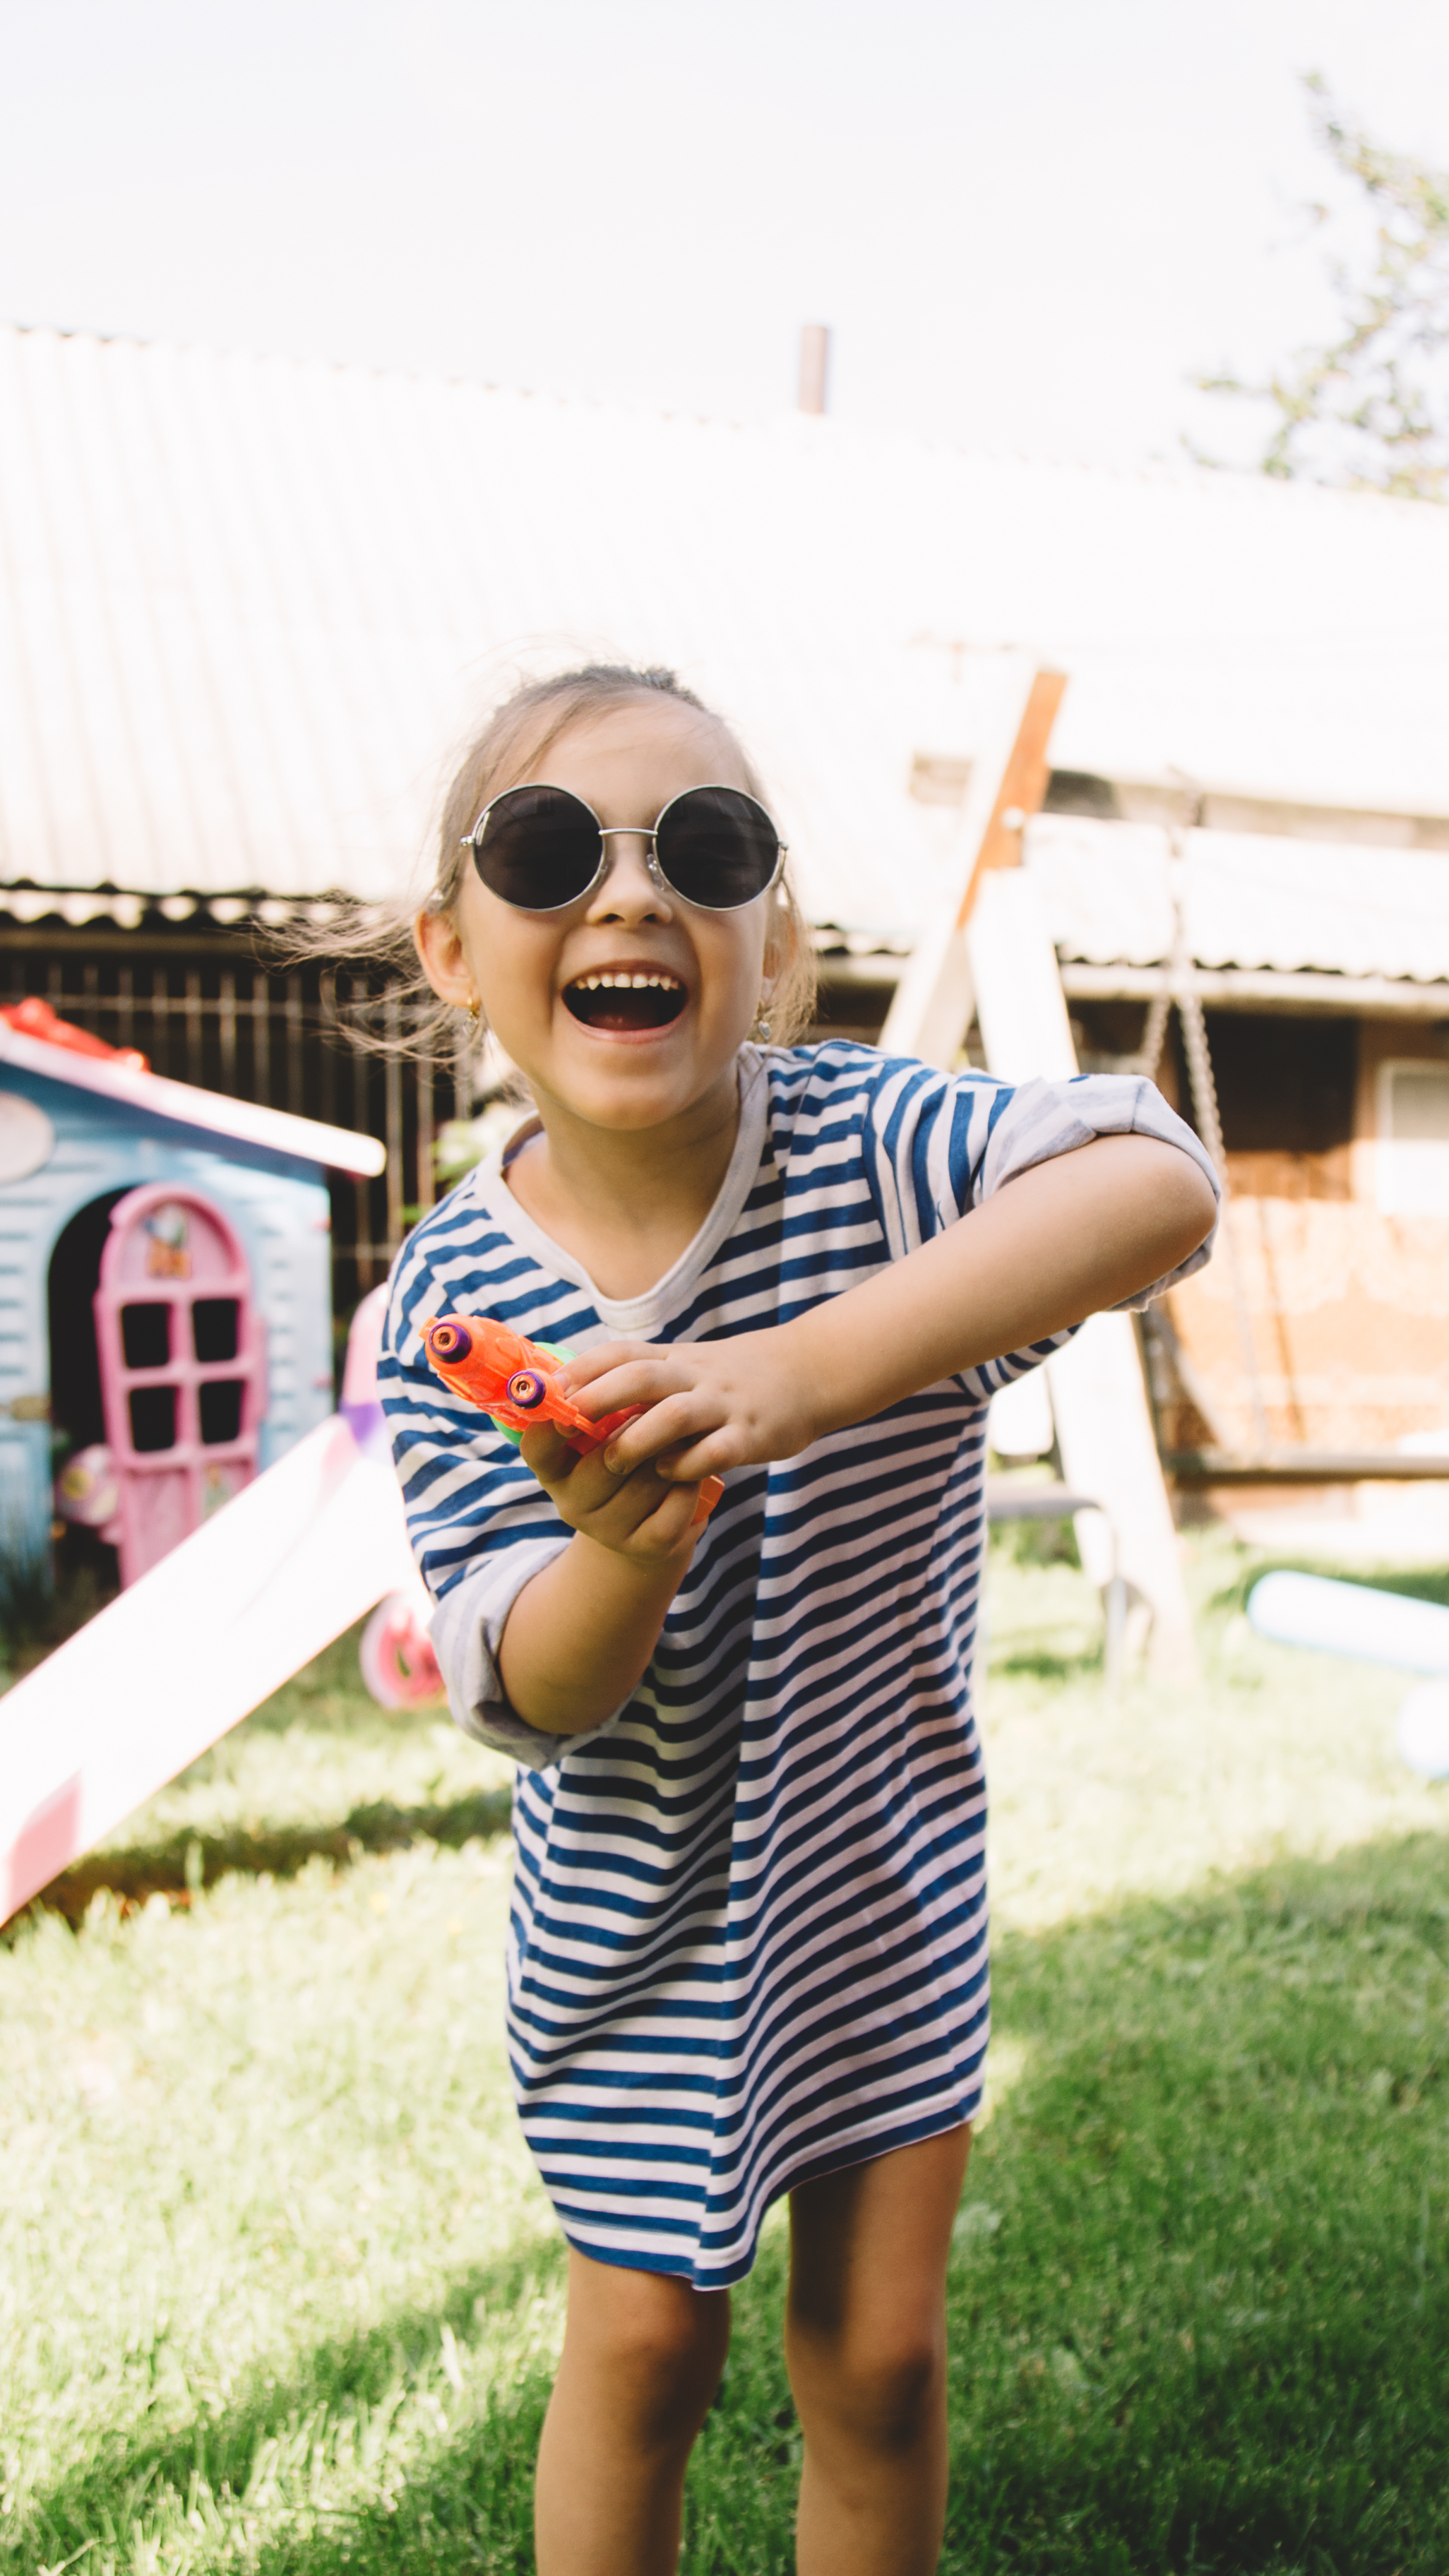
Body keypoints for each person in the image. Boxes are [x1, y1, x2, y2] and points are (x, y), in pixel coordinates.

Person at [379, 662, 1219, 2576]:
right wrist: (627, 1549)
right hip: (626, 1924)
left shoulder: (872, 1152)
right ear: (450, 948)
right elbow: (525, 1691)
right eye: (542, 853)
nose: (627, 896)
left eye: (703, 846)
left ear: (769, 936)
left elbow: (1156, 1181)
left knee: (876, 2366)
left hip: (878, 1892)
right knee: (642, 2350)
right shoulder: (449, 1309)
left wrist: (798, 1373)